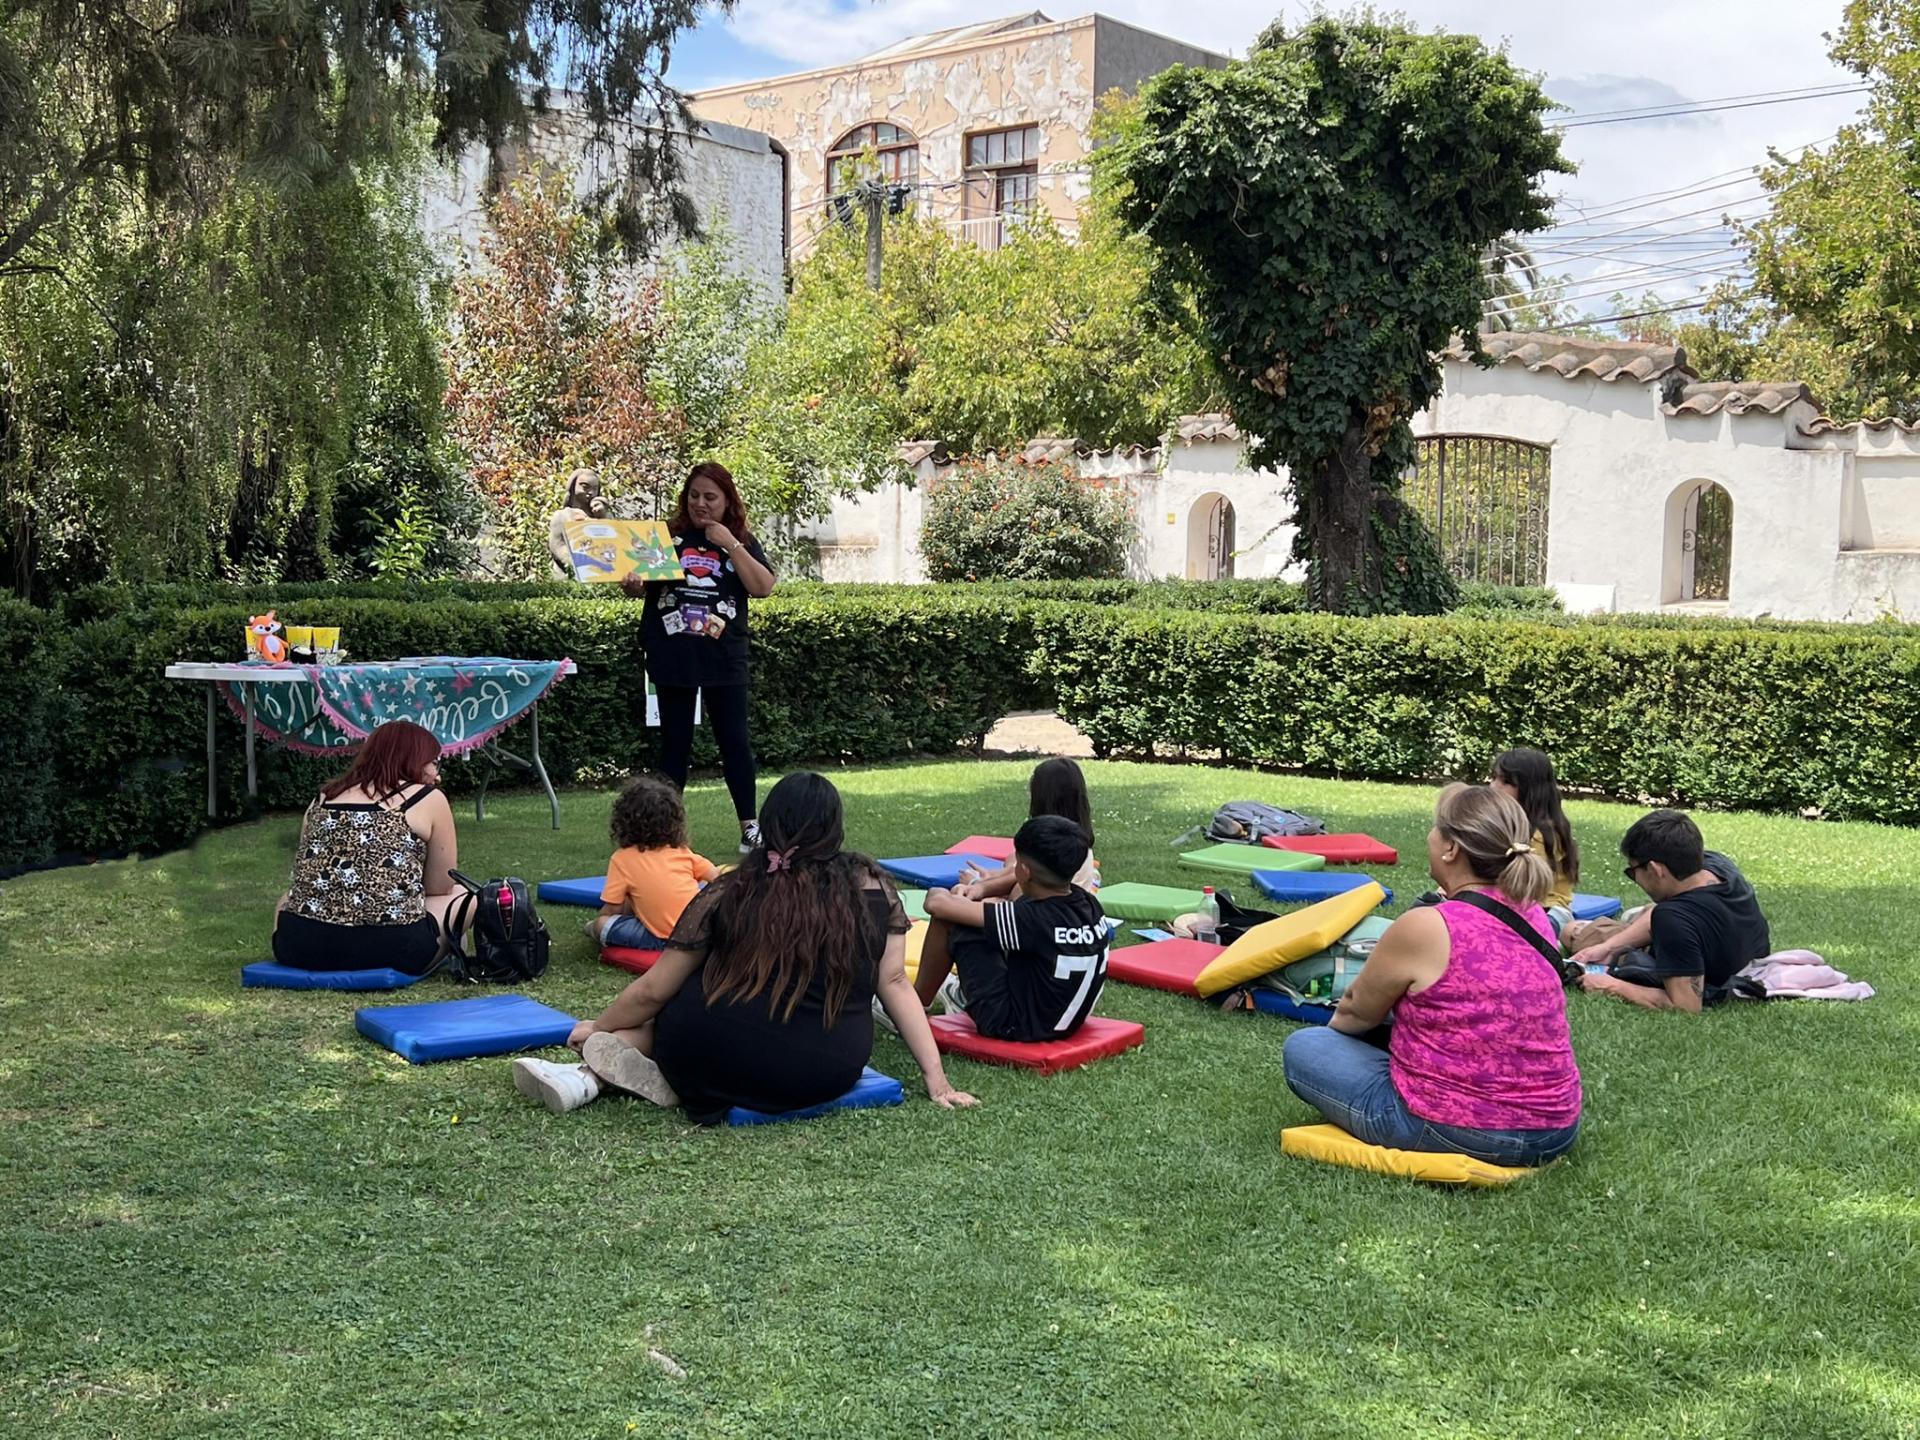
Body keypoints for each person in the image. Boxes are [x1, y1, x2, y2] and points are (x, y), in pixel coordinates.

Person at [510, 772, 976, 1120]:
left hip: (710, 1053)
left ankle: (588, 1075)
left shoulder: (734, 887)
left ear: (770, 824)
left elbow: (654, 989)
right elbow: (894, 984)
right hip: (825, 1069)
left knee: (676, 1008)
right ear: (835, 828)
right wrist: (937, 1080)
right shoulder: (872, 885)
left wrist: (598, 1027)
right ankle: (592, 1077)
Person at [1281, 784, 1582, 1167]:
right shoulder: (1535, 915)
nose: (1430, 836)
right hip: (1557, 1129)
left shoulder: (1427, 925)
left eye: (1435, 828)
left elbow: (1355, 1015)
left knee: (1307, 1047)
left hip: (1462, 1131)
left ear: (1451, 848)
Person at [622, 462, 775, 853]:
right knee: (674, 745)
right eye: (694, 495)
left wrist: (730, 543)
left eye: (710, 497)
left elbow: (763, 587)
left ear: (728, 501)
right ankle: (664, 835)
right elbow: (640, 589)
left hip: (725, 657)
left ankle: (750, 828)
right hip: (673, 654)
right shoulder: (667, 538)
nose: (700, 504)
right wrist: (633, 585)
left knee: (734, 742)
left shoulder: (739, 539)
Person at [272, 720, 464, 974]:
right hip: (393, 951)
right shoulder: (427, 797)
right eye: (434, 763)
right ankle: (454, 955)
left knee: (287, 897)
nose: (437, 775)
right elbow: (441, 886)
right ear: (413, 760)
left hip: (297, 947)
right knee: (463, 894)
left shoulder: (324, 797)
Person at [912, 816, 1111, 1042]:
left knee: (951, 920)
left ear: (1024, 870)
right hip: (1062, 1020)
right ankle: (959, 994)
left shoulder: (1030, 919)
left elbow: (936, 904)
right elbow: (1017, 887)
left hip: (1011, 1024)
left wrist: (955, 893)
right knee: (986, 914)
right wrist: (980, 889)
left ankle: (913, 1008)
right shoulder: (1087, 903)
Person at [1569, 809, 1771, 1012]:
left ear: (1656, 870)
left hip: (1688, 957)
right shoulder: (1718, 864)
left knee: (1571, 931)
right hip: (1737, 954)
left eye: (1633, 871)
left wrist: (1612, 986)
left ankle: (1636, 917)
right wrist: (1609, 948)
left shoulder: (1673, 918)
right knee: (1649, 915)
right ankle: (1638, 917)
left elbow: (1686, 1006)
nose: (1635, 879)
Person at [585, 774, 719, 953]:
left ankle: (590, 928)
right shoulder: (682, 852)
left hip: (664, 940)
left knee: (601, 924)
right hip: (698, 933)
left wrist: (598, 922)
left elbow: (613, 908)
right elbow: (718, 878)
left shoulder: (622, 859)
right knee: (631, 898)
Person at [958, 757, 1101, 899]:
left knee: (956, 897)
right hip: (1052, 908)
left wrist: (976, 884)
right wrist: (990, 879)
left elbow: (1016, 901)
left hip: (1043, 915)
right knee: (1012, 858)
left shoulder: (1049, 854)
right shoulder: (1076, 845)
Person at [1489, 747, 1579, 936]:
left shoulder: (1543, 834)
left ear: (1530, 789)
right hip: (1513, 906)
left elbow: (1525, 890)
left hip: (1548, 910)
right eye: (1494, 778)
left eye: (1505, 782)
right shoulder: (1504, 823)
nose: (1493, 786)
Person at [547, 467, 610, 577]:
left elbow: (614, 541)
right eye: (585, 487)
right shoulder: (561, 516)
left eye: (595, 488)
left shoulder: (602, 515)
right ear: (573, 486)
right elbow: (557, 546)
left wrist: (604, 517)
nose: (591, 492)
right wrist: (580, 563)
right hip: (570, 576)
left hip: (601, 575)